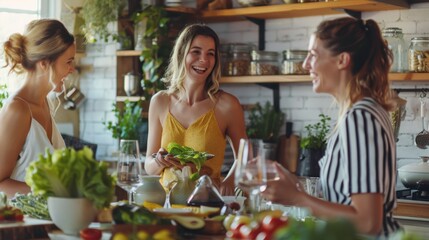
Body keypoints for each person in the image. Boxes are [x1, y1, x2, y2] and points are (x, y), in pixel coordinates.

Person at [262, 17, 400, 238]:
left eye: (314, 55)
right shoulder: (364, 111)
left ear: (342, 60)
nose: (306, 64)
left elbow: (367, 222)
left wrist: (297, 198)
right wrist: (296, 189)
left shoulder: (360, 118)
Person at [144, 24, 247, 195]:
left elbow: (245, 156)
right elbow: (149, 165)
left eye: (210, 54)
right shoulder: (160, 102)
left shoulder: (227, 105)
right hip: (166, 205)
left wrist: (228, 182)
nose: (204, 60)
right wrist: (159, 161)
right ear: (181, 54)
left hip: (207, 204)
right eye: (196, 52)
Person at [0, 19, 75, 198]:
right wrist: (57, 193)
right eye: (68, 61)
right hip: (18, 224)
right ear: (44, 62)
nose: (72, 69)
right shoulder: (17, 110)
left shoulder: (45, 104)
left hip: (47, 221)